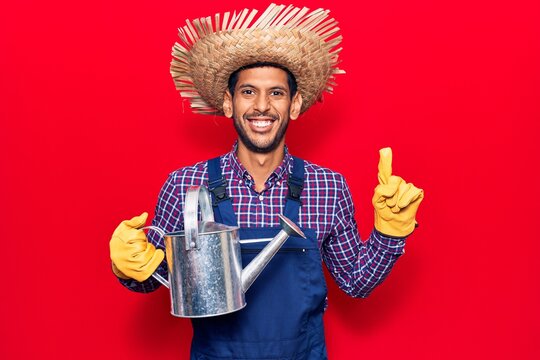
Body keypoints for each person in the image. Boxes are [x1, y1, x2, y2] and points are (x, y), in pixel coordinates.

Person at [109, 4, 424, 359]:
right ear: (228, 103)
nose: (262, 106)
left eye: (276, 92)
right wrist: (128, 265)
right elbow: (154, 275)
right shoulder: (187, 185)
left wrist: (391, 233)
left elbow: (356, 282)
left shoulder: (328, 187)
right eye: (248, 92)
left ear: (294, 104)